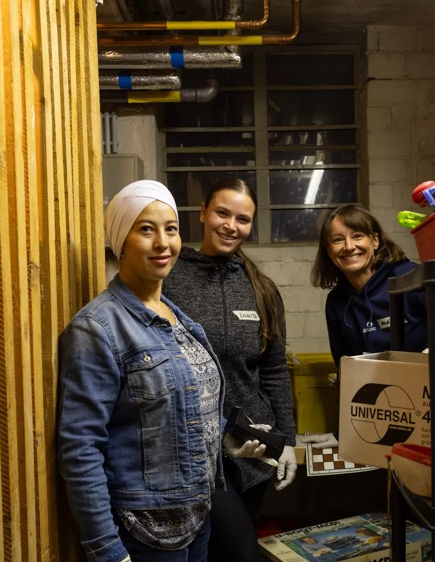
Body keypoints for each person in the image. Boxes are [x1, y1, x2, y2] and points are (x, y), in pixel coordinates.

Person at [56, 180, 267, 562]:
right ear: (121, 240)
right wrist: (106, 547)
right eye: (146, 229)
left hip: (195, 517)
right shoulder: (97, 328)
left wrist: (222, 439)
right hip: (144, 528)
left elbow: (180, 407)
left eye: (170, 229)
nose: (162, 243)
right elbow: (80, 448)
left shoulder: (177, 317)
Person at [162, 178, 298, 562]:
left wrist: (286, 440)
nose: (230, 225)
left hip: (253, 450)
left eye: (242, 218)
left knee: (224, 553)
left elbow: (273, 370)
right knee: (238, 551)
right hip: (193, 447)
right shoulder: (170, 278)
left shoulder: (262, 289)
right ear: (203, 212)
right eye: (222, 213)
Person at [311, 204, 428, 368]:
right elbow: (345, 367)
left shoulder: (411, 278)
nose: (349, 246)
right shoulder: (336, 301)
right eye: (338, 240)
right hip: (376, 390)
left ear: (375, 241)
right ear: (329, 251)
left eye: (357, 236)